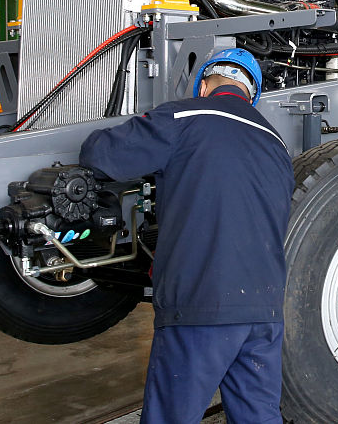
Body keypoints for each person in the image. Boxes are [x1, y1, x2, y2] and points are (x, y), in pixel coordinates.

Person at [78, 48, 293, 422]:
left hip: (201, 301)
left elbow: (102, 154)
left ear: (206, 85)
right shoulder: (276, 143)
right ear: (251, 93)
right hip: (265, 309)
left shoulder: (186, 115)